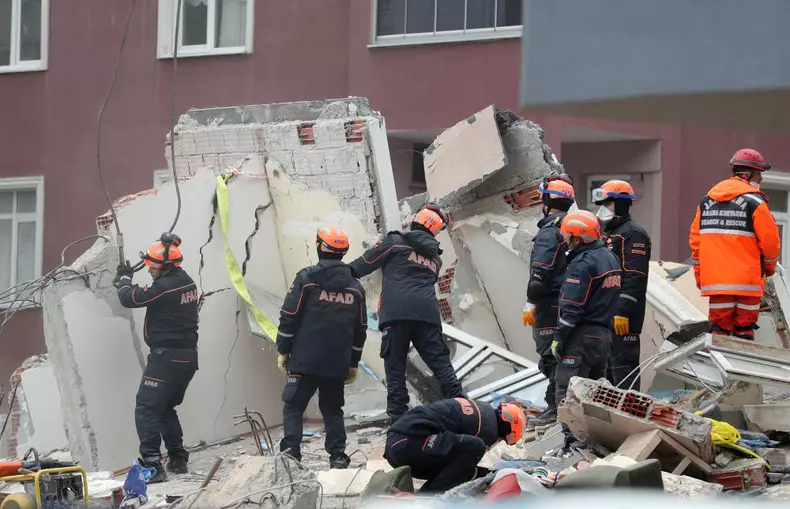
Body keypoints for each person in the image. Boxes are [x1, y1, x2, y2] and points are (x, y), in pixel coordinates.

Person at [349, 209, 464, 422]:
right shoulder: (435, 260)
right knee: (441, 365)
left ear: (415, 221)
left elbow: (362, 265)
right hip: (428, 316)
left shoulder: (395, 242)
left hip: (397, 315)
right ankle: (464, 408)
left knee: (395, 367)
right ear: (435, 231)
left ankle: (399, 419)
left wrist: (335, 275)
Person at [276, 226, 367, 469]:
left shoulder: (306, 279)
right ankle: (337, 455)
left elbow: (289, 315)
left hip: (305, 358)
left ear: (320, 246)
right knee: (332, 409)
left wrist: (283, 349)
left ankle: (291, 455)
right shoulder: (356, 288)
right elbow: (360, 329)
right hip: (336, 361)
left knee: (293, 406)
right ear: (343, 251)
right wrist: (352, 363)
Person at [116, 233, 199, 483]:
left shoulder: (164, 288)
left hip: (166, 359)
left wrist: (124, 279)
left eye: (153, 265)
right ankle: (177, 457)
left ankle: (152, 465)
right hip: (187, 359)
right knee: (164, 408)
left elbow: (128, 298)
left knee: (146, 408)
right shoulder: (187, 282)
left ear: (165, 266)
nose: (150, 269)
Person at [689, 148, 781, 340]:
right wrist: (769, 268)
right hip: (747, 283)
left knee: (718, 333)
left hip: (716, 284)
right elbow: (770, 242)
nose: (761, 180)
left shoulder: (706, 202)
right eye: (759, 174)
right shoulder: (755, 202)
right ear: (747, 175)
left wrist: (701, 276)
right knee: (744, 333)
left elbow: (696, 243)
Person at [552, 211, 621, 440]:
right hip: (603, 338)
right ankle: (594, 443)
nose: (565, 240)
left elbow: (572, 307)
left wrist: (559, 338)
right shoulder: (610, 258)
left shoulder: (582, 264)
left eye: (568, 235)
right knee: (595, 395)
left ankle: (571, 443)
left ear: (578, 237)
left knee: (569, 393)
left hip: (580, 337)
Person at [384, 398, 526, 493]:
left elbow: (457, 465)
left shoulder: (481, 410)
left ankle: (424, 496)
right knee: (475, 448)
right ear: (507, 429)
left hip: (397, 446)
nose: (498, 441)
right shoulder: (488, 429)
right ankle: (426, 498)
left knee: (457, 466)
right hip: (413, 443)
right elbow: (465, 466)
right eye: (503, 439)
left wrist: (484, 474)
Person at [521, 179, 576, 428]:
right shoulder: (576, 227)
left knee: (550, 357)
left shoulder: (549, 231)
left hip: (549, 304)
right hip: (570, 302)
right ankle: (559, 406)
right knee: (565, 354)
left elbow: (540, 273)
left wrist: (530, 303)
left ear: (546, 202)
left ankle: (556, 409)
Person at [592, 180, 651, 391]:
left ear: (622, 204)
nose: (603, 209)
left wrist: (623, 311)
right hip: (605, 315)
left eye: (608, 204)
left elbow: (634, 276)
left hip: (623, 316)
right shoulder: (606, 234)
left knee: (623, 367)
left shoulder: (634, 234)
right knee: (605, 369)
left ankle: (628, 413)